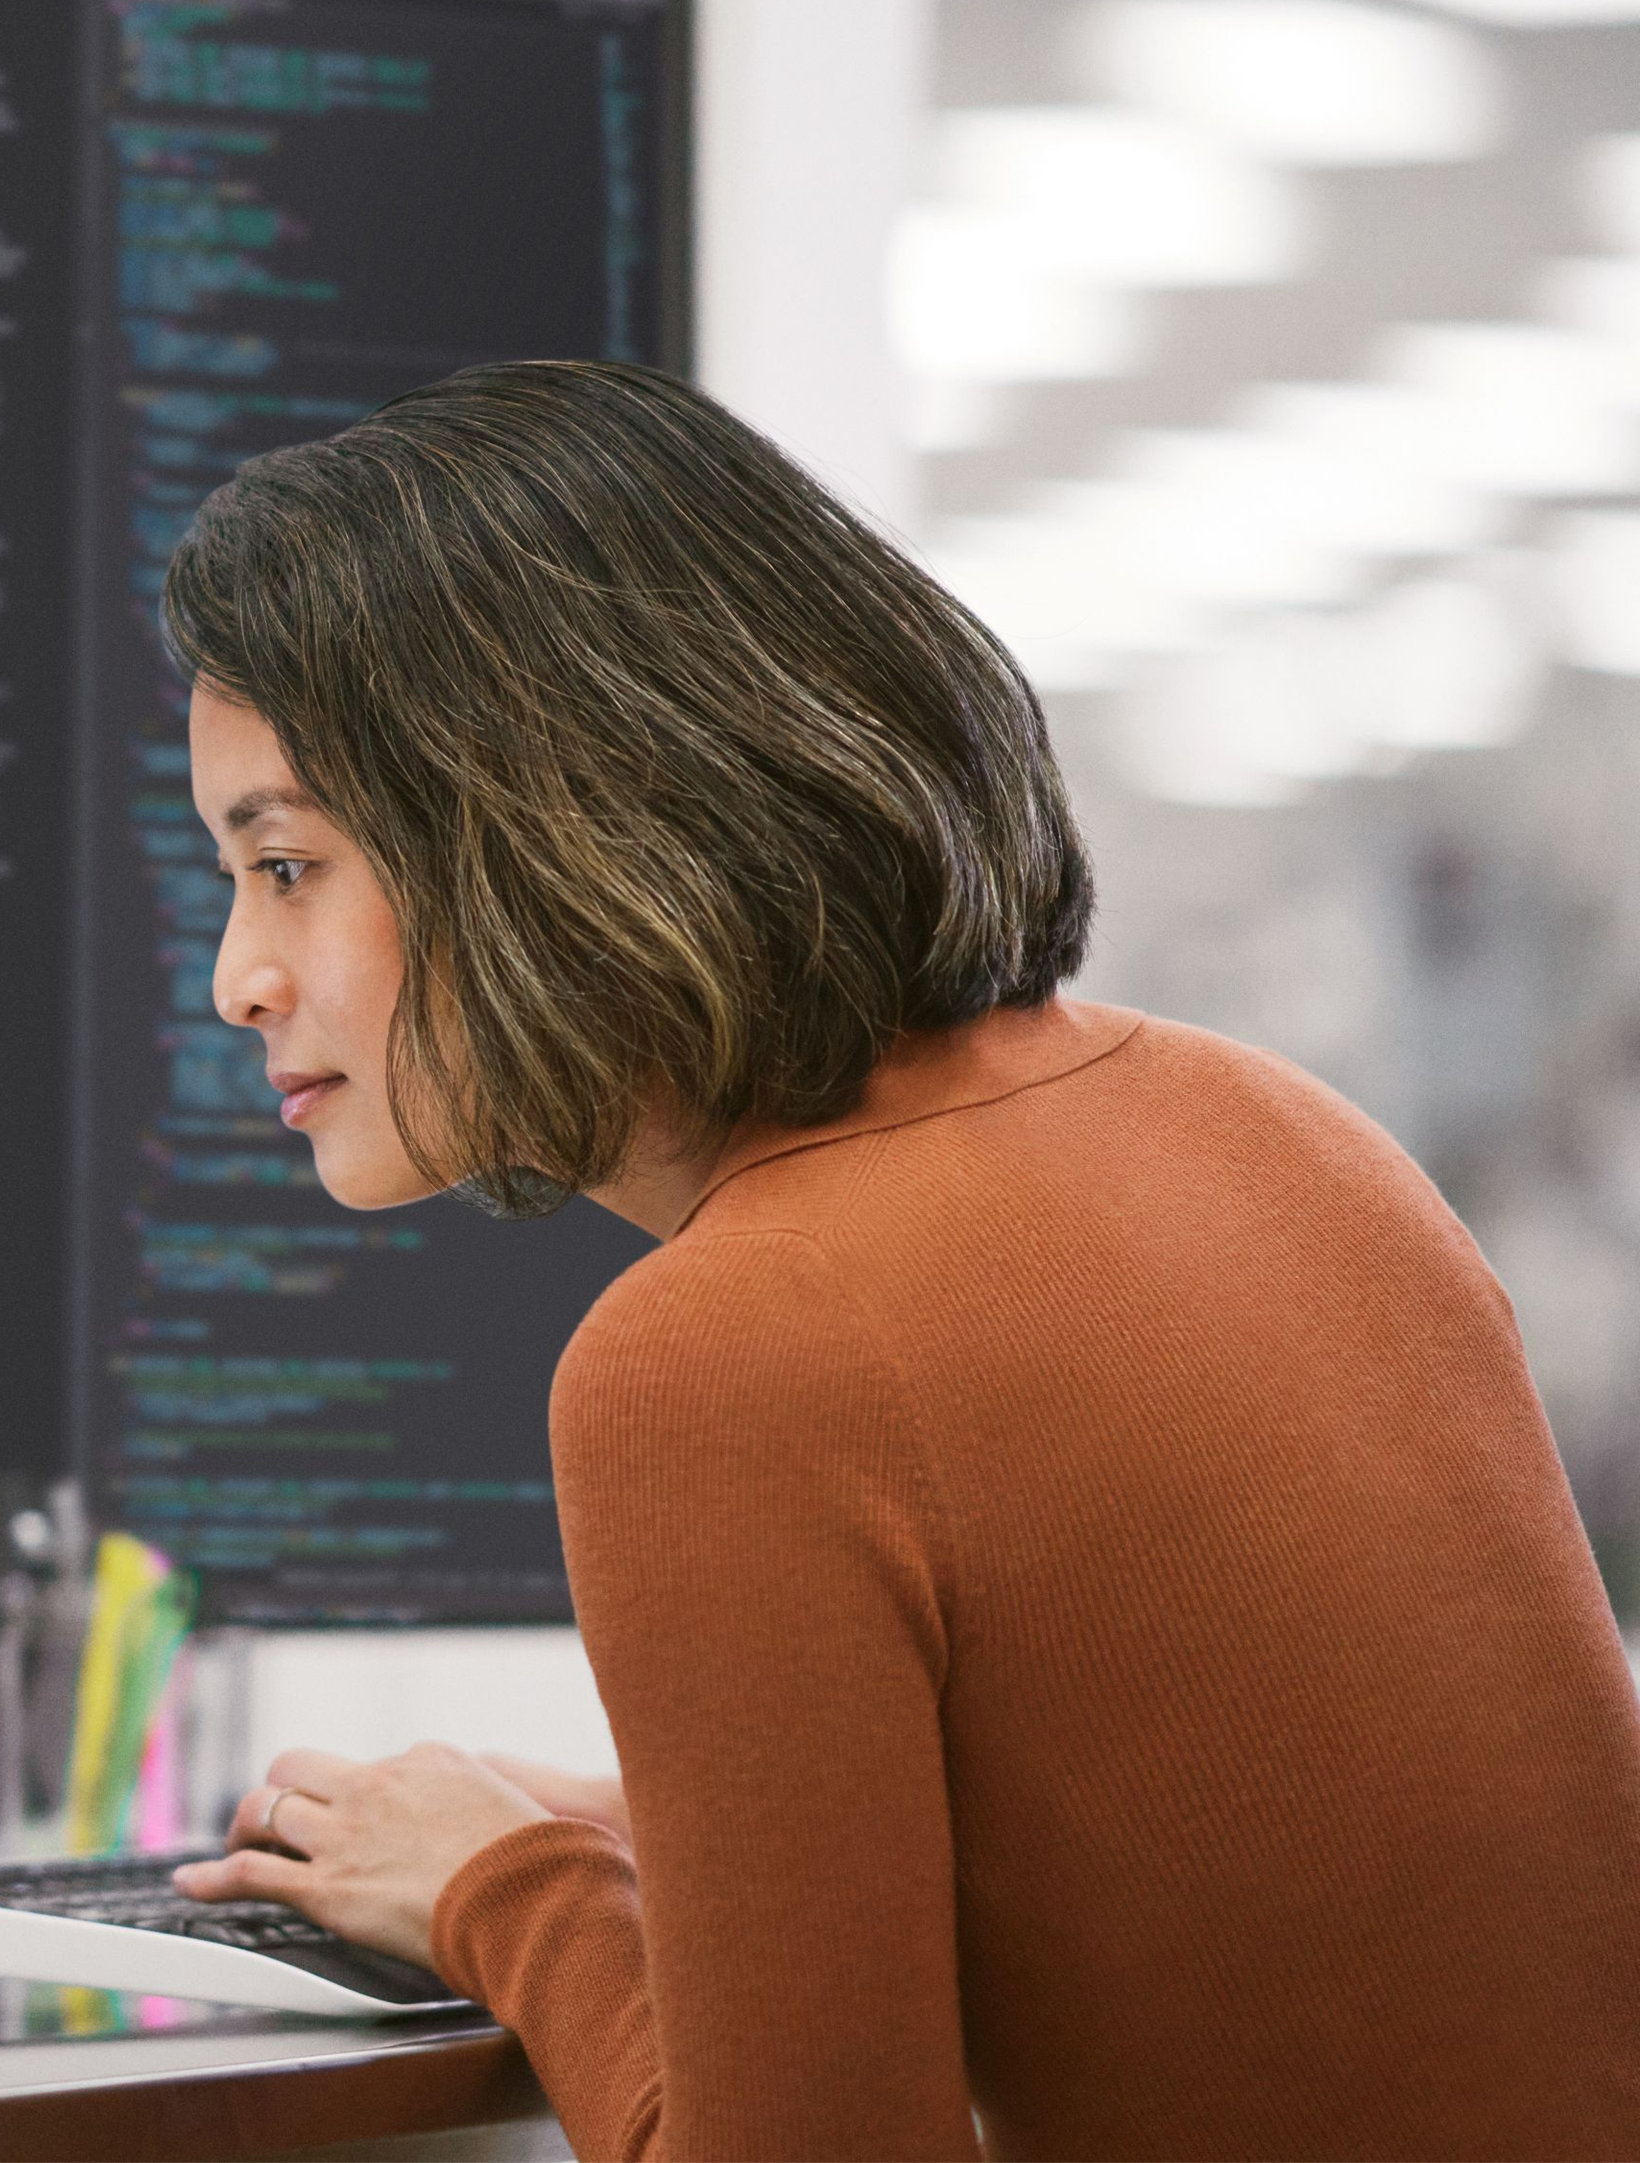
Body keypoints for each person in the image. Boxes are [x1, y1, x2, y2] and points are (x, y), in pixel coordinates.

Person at [156, 359, 1640, 2159]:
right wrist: (657, 1834)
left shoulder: (727, 1353)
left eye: (289, 864)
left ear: (551, 824)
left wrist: (513, 1891)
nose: (239, 972)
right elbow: (1226, 1878)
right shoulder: (1284, 1136)